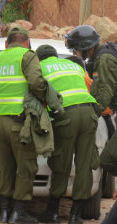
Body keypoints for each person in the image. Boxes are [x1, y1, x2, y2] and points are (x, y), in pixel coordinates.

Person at [0, 26, 48, 224]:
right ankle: (19, 213)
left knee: (5, 168)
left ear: (6, 43)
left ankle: (5, 212)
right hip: (19, 122)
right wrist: (46, 101)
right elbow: (37, 83)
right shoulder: (27, 56)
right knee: (25, 167)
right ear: (27, 43)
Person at [36, 44, 98, 224]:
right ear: (55, 56)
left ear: (39, 59)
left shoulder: (40, 67)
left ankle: (53, 212)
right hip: (88, 113)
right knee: (84, 164)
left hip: (66, 115)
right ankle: (75, 216)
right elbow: (90, 87)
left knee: (61, 161)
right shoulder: (74, 66)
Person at [64, 25, 117, 177]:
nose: (75, 53)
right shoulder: (99, 58)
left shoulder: (104, 59)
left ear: (85, 48)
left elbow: (103, 94)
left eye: (76, 49)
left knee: (107, 160)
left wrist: (88, 117)